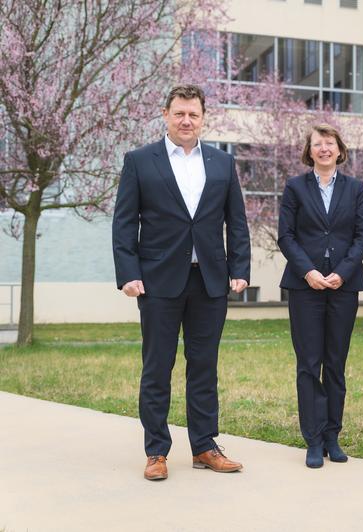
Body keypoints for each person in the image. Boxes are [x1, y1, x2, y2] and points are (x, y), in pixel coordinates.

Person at [112, 84, 251, 481]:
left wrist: (239, 268)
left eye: (193, 114)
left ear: (203, 117)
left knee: (204, 367)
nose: (186, 120)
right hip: (157, 282)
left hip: (209, 280)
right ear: (165, 114)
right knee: (157, 366)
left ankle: (205, 446)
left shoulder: (223, 163)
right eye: (179, 114)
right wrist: (128, 274)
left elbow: (235, 221)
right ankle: (156, 451)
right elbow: (124, 222)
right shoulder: (140, 160)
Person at [278, 124, 363, 468]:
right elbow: (285, 236)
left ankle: (333, 435)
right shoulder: (295, 188)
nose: (324, 148)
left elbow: (362, 235)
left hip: (344, 287)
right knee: (308, 364)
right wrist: (309, 272)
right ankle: (313, 439)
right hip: (306, 287)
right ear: (310, 150)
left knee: (335, 362)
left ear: (339, 149)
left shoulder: (355, 188)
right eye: (317, 144)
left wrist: (342, 272)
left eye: (329, 143)